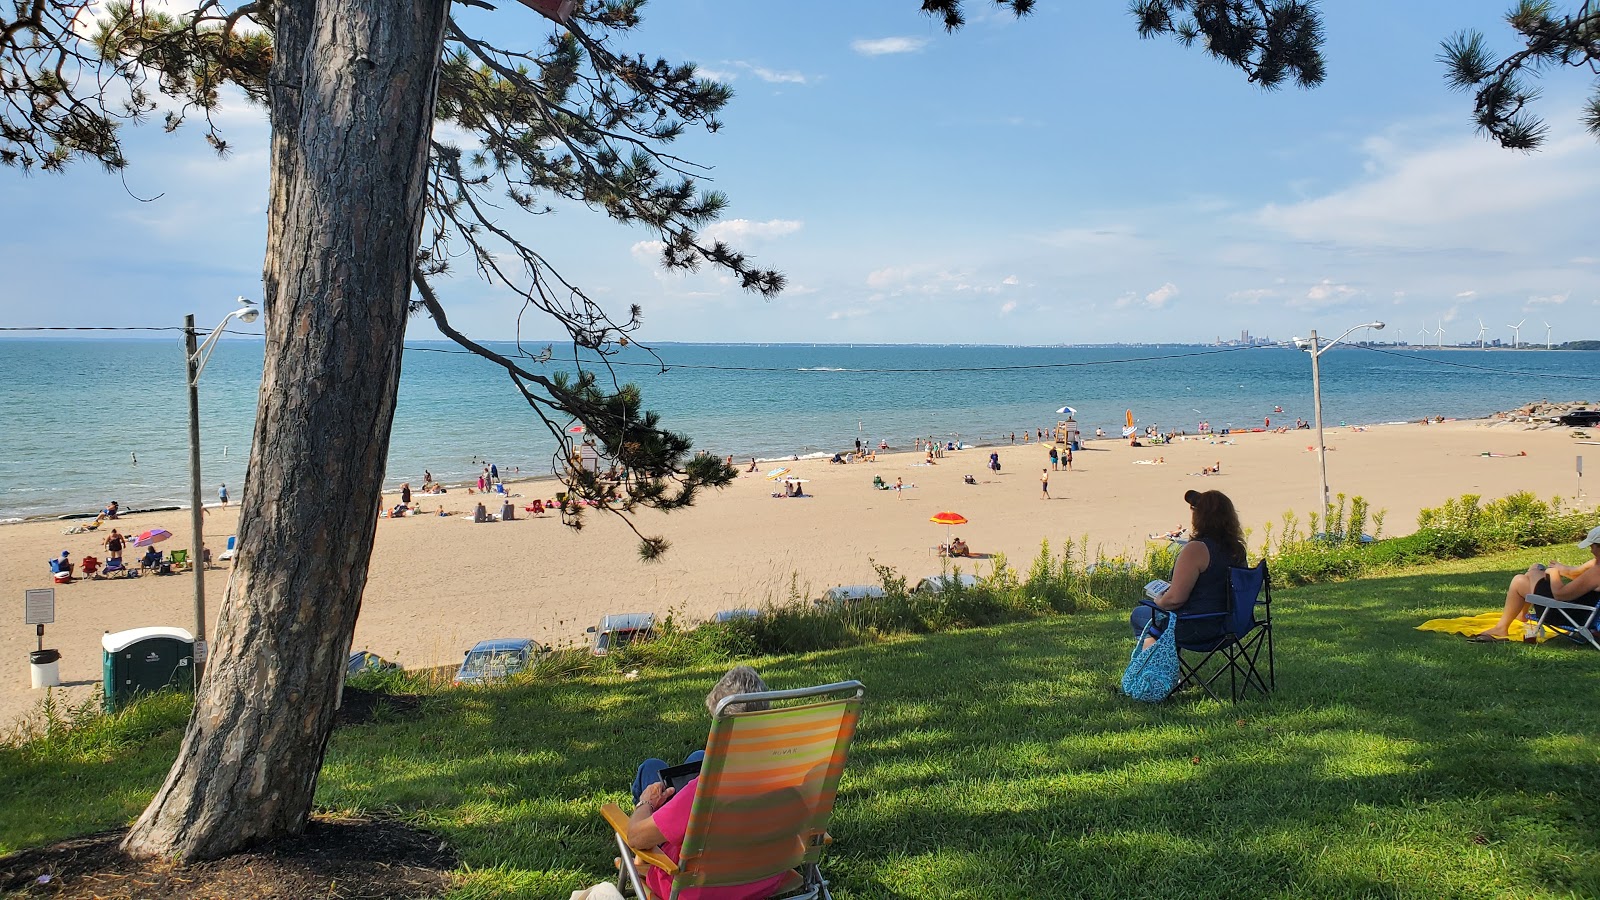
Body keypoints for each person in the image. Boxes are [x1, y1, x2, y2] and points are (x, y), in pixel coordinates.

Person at [624, 666, 790, 900]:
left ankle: (640, 857)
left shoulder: (707, 791)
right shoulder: (790, 774)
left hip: (695, 888)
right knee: (699, 758)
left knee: (650, 768)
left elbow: (636, 837)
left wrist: (646, 803)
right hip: (764, 878)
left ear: (723, 725)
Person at [1130, 489, 1248, 647]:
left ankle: (1155, 670)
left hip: (1197, 627)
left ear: (1200, 517)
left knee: (1140, 615)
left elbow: (1174, 600)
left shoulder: (1196, 550)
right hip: (1233, 625)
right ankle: (1163, 668)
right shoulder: (1237, 549)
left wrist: (1159, 600)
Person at [1470, 525, 1600, 642]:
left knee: (1534, 570)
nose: (1590, 551)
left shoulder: (1597, 572)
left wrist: (1554, 573)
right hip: (1576, 610)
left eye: (1592, 546)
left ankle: (1504, 626)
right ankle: (1509, 623)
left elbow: (1561, 594)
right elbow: (1577, 578)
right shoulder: (1596, 568)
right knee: (1519, 580)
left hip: (1563, 614)